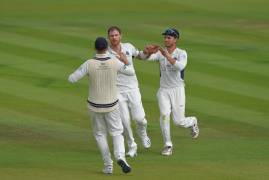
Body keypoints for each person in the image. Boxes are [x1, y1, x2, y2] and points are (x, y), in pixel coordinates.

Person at [68, 37, 133, 174]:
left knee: (100, 134)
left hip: (94, 106)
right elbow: (130, 72)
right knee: (117, 133)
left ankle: (108, 165)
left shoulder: (89, 63)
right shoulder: (114, 62)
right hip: (112, 105)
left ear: (95, 48)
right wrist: (124, 61)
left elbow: (72, 79)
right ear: (106, 47)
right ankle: (120, 157)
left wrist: (89, 74)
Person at [142, 28, 200, 156]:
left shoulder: (181, 53)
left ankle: (192, 121)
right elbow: (144, 58)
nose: (166, 39)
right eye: (165, 37)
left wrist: (166, 55)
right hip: (163, 90)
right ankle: (168, 145)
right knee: (164, 115)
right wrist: (147, 52)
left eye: (169, 37)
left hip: (177, 90)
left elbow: (180, 66)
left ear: (175, 39)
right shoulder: (160, 53)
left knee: (179, 122)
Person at [107, 26, 151, 158]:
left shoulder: (128, 47)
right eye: (111, 36)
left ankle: (143, 134)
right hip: (117, 91)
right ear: (108, 37)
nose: (114, 38)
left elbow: (140, 56)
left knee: (140, 119)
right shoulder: (107, 53)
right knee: (124, 121)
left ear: (121, 36)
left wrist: (148, 52)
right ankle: (132, 146)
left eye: (116, 35)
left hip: (132, 88)